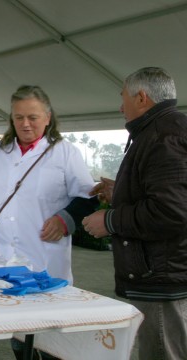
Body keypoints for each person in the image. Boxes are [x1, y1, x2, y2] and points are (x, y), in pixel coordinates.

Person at [0, 85, 96, 359]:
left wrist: (65, 220)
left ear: (48, 117)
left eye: (33, 117)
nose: (25, 124)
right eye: (18, 117)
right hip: (1, 262)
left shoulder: (64, 153)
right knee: (17, 337)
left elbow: (88, 197)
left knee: (49, 340)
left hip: (44, 261)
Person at [83, 67, 187, 360]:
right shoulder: (163, 130)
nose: (120, 106)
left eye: (123, 97)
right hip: (163, 271)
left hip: (162, 276)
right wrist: (121, 192)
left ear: (141, 97)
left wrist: (109, 220)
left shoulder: (163, 136)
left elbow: (171, 212)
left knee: (162, 351)